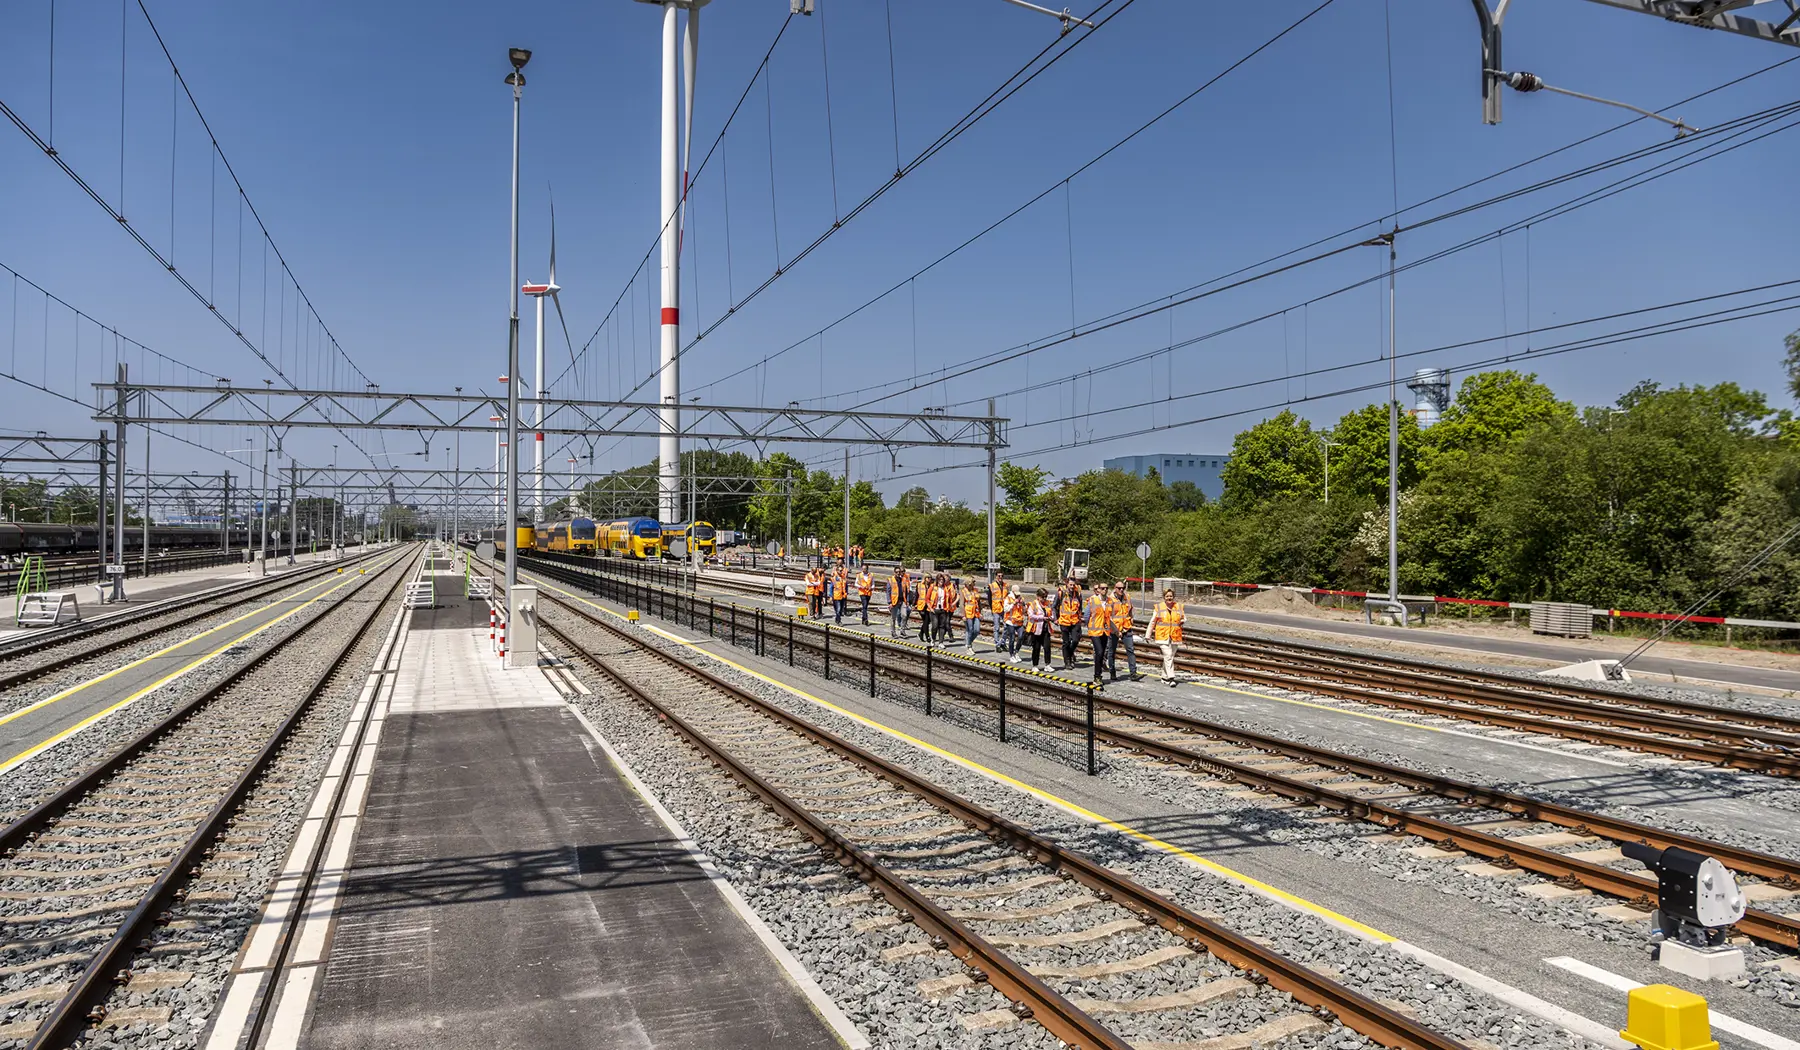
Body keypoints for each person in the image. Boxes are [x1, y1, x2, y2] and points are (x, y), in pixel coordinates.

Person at [1148, 589, 1185, 685]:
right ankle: (1171, 678)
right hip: (1162, 636)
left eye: (1171, 596)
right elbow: (1152, 622)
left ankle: (1164, 678)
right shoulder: (1159, 607)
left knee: (1169, 657)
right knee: (1168, 655)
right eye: (1167, 596)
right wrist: (1148, 635)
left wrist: (1183, 620)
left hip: (1175, 636)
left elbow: (1183, 617)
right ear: (1164, 597)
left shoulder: (1178, 607)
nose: (1169, 598)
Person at [1110, 583, 1140, 681]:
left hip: (1126, 627)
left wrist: (1131, 617)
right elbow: (1108, 616)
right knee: (1111, 651)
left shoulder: (1127, 597)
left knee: (1130, 650)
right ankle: (1112, 672)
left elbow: (1131, 608)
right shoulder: (1110, 599)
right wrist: (1115, 630)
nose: (1121, 590)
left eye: (1123, 588)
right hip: (1114, 629)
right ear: (1115, 589)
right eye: (1119, 588)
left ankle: (1133, 673)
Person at [1054, 580, 1084, 670]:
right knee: (1066, 642)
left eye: (1073, 585)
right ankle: (1067, 661)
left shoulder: (1078, 594)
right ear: (1067, 584)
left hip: (1075, 621)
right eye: (1070, 585)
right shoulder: (1061, 593)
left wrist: (1080, 618)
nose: (1072, 586)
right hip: (1064, 621)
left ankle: (1070, 655)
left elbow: (1080, 607)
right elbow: (1054, 606)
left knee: (1075, 640)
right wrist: (1056, 619)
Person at [1085, 588, 1113, 684]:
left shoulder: (1109, 601)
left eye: (1106, 588)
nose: (1105, 590)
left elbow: (1109, 617)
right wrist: (1089, 626)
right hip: (1094, 631)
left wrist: (1116, 631)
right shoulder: (1093, 600)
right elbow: (1086, 615)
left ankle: (1098, 675)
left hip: (1104, 631)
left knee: (1102, 653)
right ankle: (1097, 676)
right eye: (1102, 588)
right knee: (1099, 652)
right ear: (1099, 590)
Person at [1025, 588, 1052, 667]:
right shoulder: (1033, 604)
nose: (1044, 599)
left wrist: (1052, 617)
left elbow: (1051, 612)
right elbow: (1031, 616)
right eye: (1043, 597)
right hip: (1036, 629)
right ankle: (1035, 665)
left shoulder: (1048, 603)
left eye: (1045, 597)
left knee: (1047, 647)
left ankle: (1048, 665)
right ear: (1038, 596)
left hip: (1046, 628)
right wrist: (1042, 617)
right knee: (1036, 648)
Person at [1002, 585, 1026, 662]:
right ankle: (1011, 655)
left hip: (1019, 621)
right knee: (1012, 639)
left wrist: (1023, 604)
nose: (1017, 595)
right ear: (1012, 592)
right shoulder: (1008, 598)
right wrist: (1013, 604)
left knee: (1021, 636)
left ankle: (1016, 652)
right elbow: (1005, 609)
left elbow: (1025, 611)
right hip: (1010, 621)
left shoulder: (1021, 598)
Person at [960, 579, 983, 653]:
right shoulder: (963, 591)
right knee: (970, 630)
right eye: (970, 584)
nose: (972, 585)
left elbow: (979, 602)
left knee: (977, 630)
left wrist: (981, 612)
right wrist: (963, 615)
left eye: (973, 584)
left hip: (976, 613)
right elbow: (961, 604)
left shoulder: (975, 590)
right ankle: (969, 646)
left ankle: (968, 642)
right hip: (968, 613)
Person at [988, 573, 1008, 653]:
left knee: (1007, 626)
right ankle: (997, 645)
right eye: (999, 576)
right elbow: (989, 598)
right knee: (996, 628)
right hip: (996, 609)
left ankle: (1002, 642)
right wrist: (991, 608)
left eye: (1002, 576)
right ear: (996, 576)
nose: (1000, 577)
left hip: (1004, 609)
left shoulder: (1006, 585)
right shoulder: (992, 585)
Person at [889, 567, 912, 638]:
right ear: (894, 572)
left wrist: (907, 600)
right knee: (893, 618)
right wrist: (889, 602)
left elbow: (906, 591)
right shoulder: (891, 580)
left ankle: (902, 631)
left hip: (902, 601)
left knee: (904, 615)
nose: (898, 573)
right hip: (894, 601)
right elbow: (888, 592)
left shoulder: (903, 580)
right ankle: (893, 632)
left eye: (899, 572)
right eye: (897, 572)